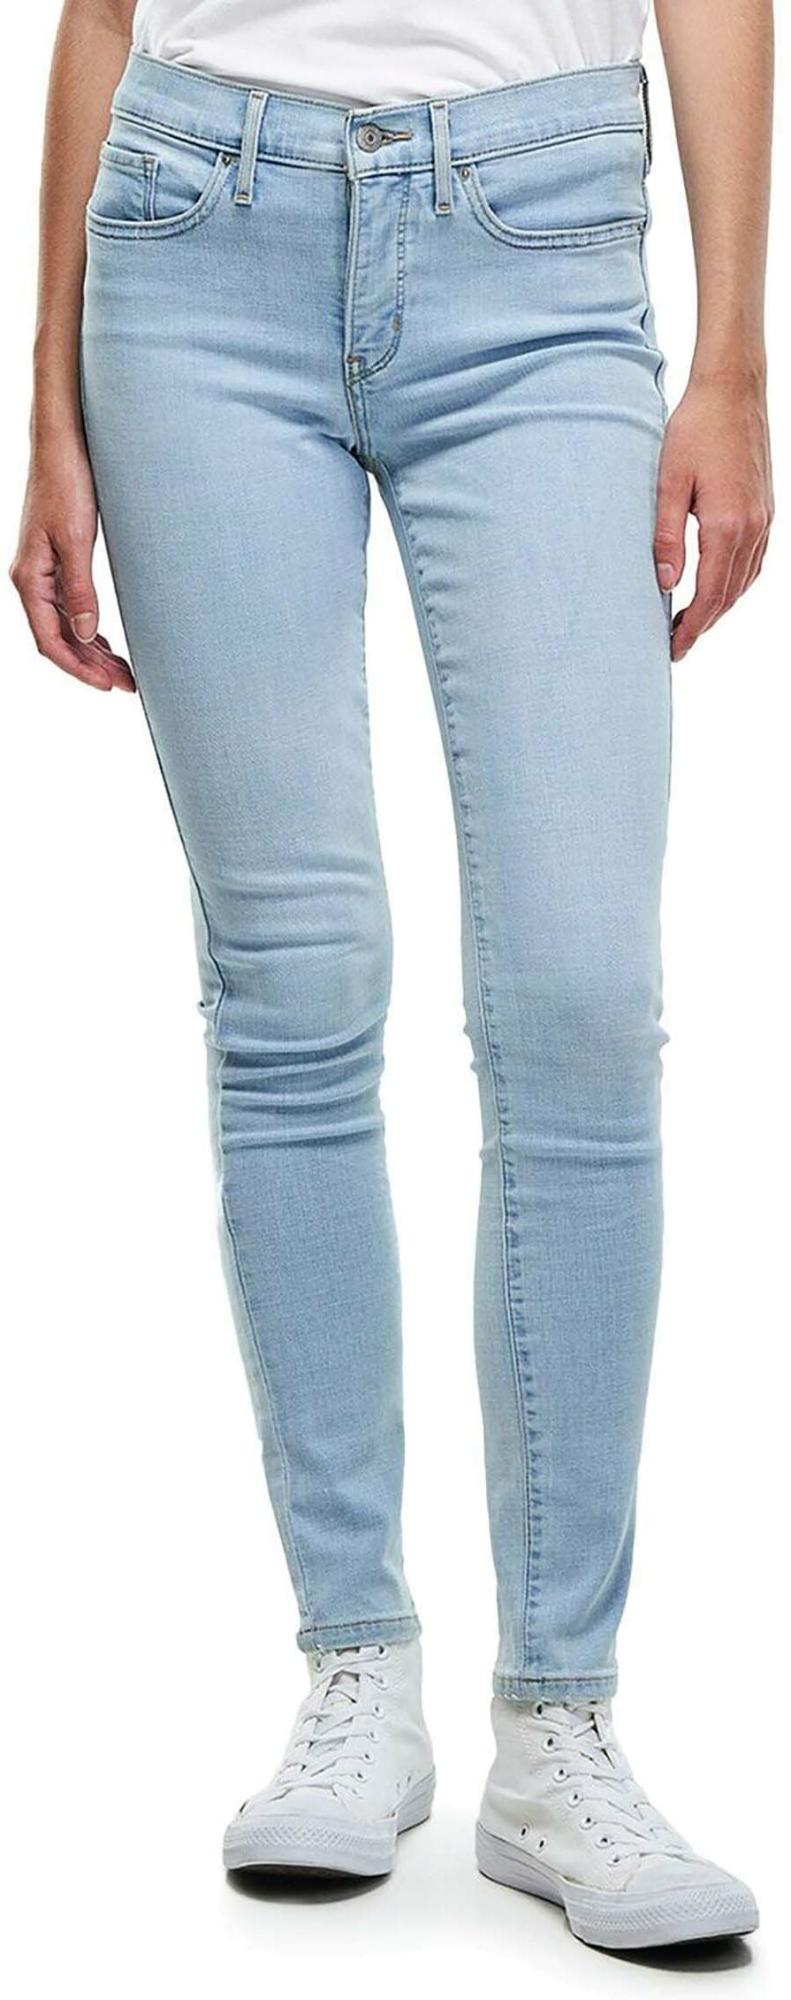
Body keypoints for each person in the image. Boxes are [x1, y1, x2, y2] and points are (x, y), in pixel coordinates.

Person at [12, 0, 773, 1953]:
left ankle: (558, 1722)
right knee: (292, 984)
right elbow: (99, 7)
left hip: (539, 242)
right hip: (191, 241)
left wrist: (730, 361)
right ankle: (355, 1669)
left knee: (581, 996)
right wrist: (48, 407)